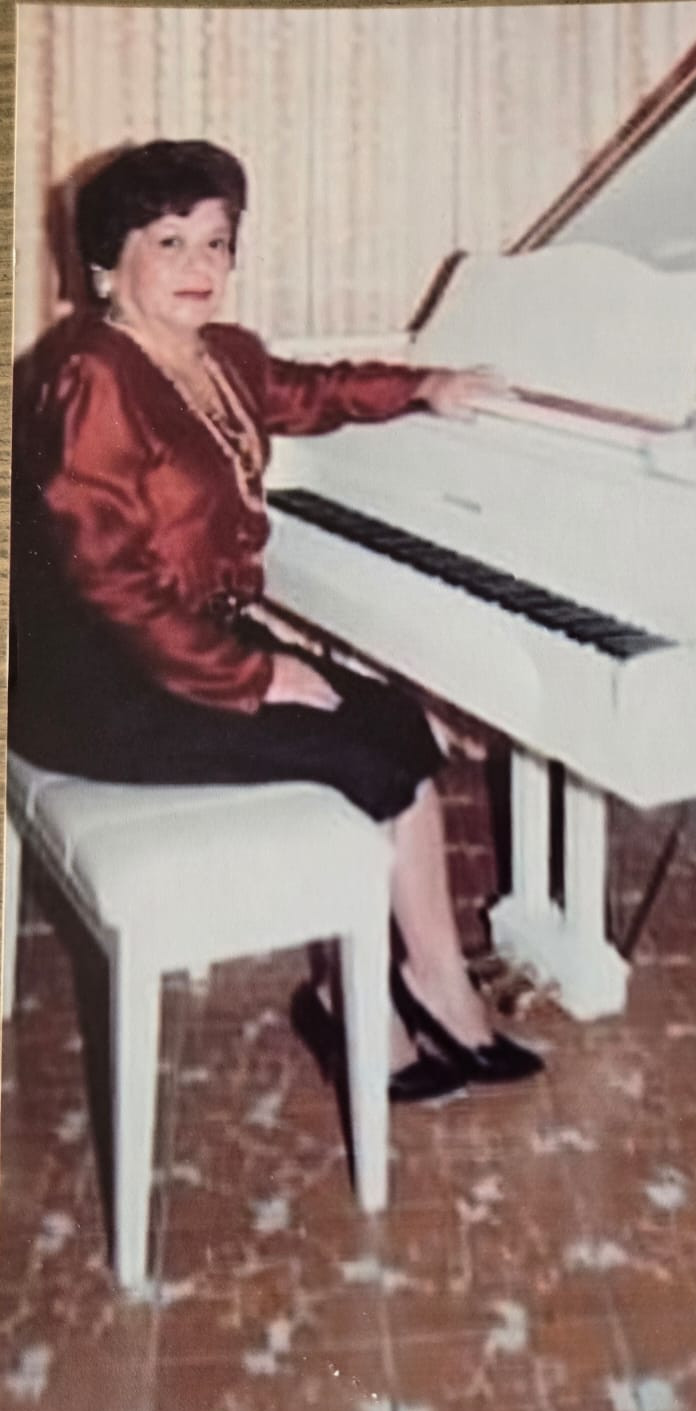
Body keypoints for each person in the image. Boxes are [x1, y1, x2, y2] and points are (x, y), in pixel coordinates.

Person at [9, 138, 543, 1102]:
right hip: (95, 681)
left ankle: (434, 979)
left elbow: (318, 391)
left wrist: (424, 386)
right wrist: (255, 674)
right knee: (363, 749)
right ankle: (356, 1003)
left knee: (398, 724)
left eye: (217, 242)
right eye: (170, 242)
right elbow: (108, 580)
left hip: (184, 642)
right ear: (107, 261)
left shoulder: (222, 357)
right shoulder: (91, 373)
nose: (201, 265)